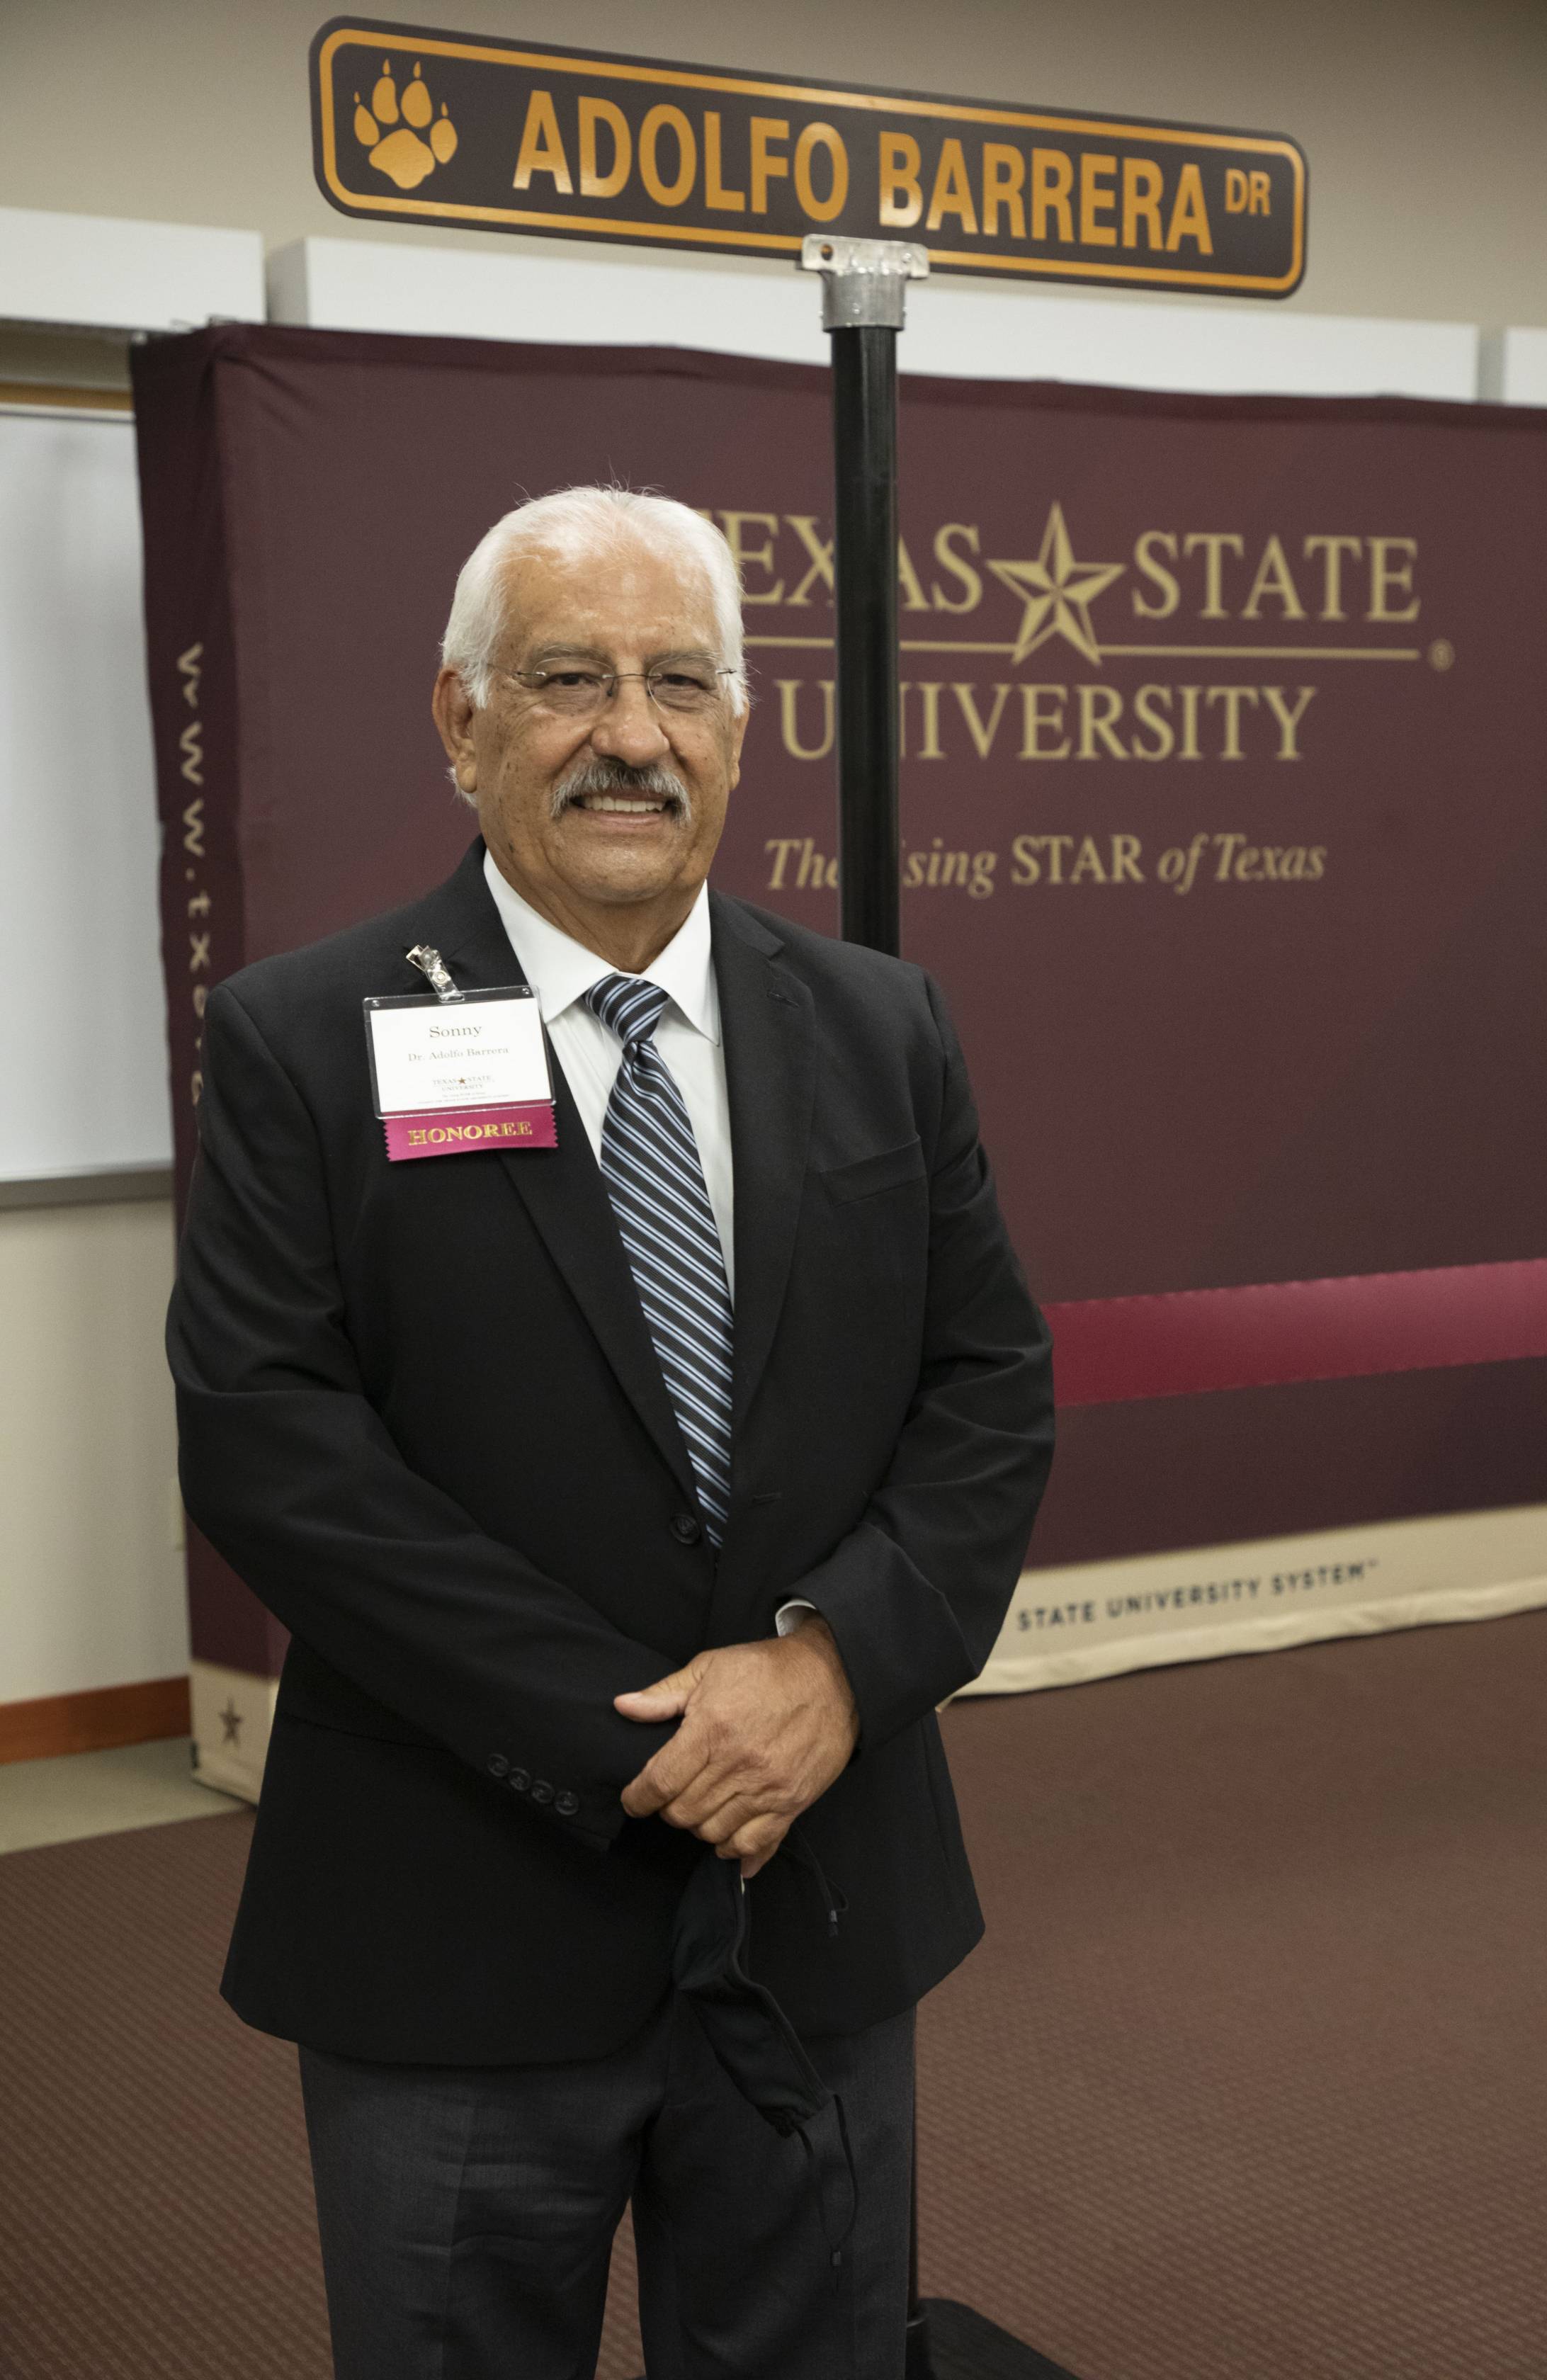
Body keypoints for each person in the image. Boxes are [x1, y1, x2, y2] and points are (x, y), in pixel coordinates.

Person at [168, 484, 1055, 2380]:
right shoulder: (305, 1039)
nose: (631, 735)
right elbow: (275, 1447)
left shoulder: (887, 1027)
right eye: (567, 679)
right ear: (458, 719)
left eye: (679, 682)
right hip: (459, 1924)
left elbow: (988, 1391)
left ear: (741, 728)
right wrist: (653, 1737)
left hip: (819, 1900)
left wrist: (827, 1670)